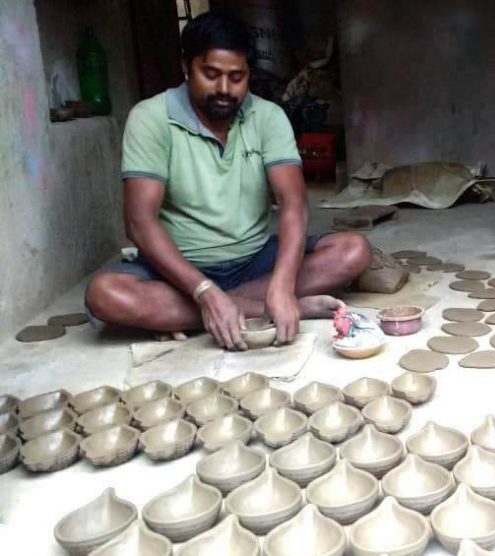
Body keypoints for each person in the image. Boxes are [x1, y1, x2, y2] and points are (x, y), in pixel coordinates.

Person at [85, 11, 371, 350]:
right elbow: (139, 222)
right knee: (103, 295)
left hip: (254, 261)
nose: (224, 89)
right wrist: (203, 291)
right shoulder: (150, 118)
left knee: (353, 251)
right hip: (178, 272)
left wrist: (280, 285)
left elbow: (294, 204)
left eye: (237, 77)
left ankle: (218, 309)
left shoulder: (267, 117)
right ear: (186, 67)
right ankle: (255, 308)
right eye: (211, 74)